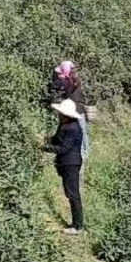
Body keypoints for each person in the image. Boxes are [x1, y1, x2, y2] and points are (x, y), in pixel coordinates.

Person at [42, 97, 89, 234]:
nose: (58, 115)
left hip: (71, 163)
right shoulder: (65, 125)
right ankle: (77, 224)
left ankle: (78, 225)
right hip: (67, 163)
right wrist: (46, 139)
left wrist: (44, 148)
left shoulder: (72, 128)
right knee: (70, 193)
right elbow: (57, 139)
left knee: (73, 194)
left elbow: (63, 148)